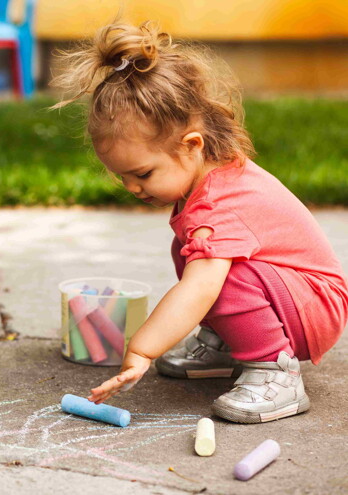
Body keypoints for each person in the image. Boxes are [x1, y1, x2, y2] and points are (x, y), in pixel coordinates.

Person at [51, 20, 348, 423]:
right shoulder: (207, 178)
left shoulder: (219, 206)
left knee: (218, 275)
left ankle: (275, 374)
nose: (132, 187)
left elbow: (199, 290)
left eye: (142, 173)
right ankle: (228, 344)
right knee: (193, 251)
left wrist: (142, 349)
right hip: (296, 297)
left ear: (191, 145)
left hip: (314, 305)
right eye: (121, 176)